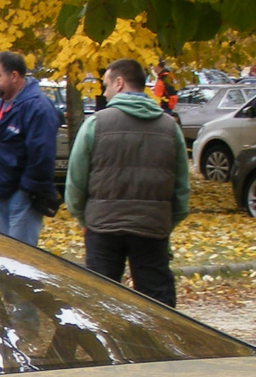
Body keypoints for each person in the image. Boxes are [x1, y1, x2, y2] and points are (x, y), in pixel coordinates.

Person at [65, 58, 191, 306]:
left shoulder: (96, 124)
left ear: (120, 83)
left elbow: (76, 180)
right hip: (152, 226)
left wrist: (83, 218)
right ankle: (157, 343)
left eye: (106, 84)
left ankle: (105, 345)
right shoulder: (169, 127)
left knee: (100, 302)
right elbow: (181, 186)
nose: (104, 91)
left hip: (103, 225)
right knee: (158, 303)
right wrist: (167, 220)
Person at [0, 50, 60, 245]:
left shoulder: (37, 107)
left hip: (22, 196)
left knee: (20, 258)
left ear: (14, 76)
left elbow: (42, 154)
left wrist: (26, 191)